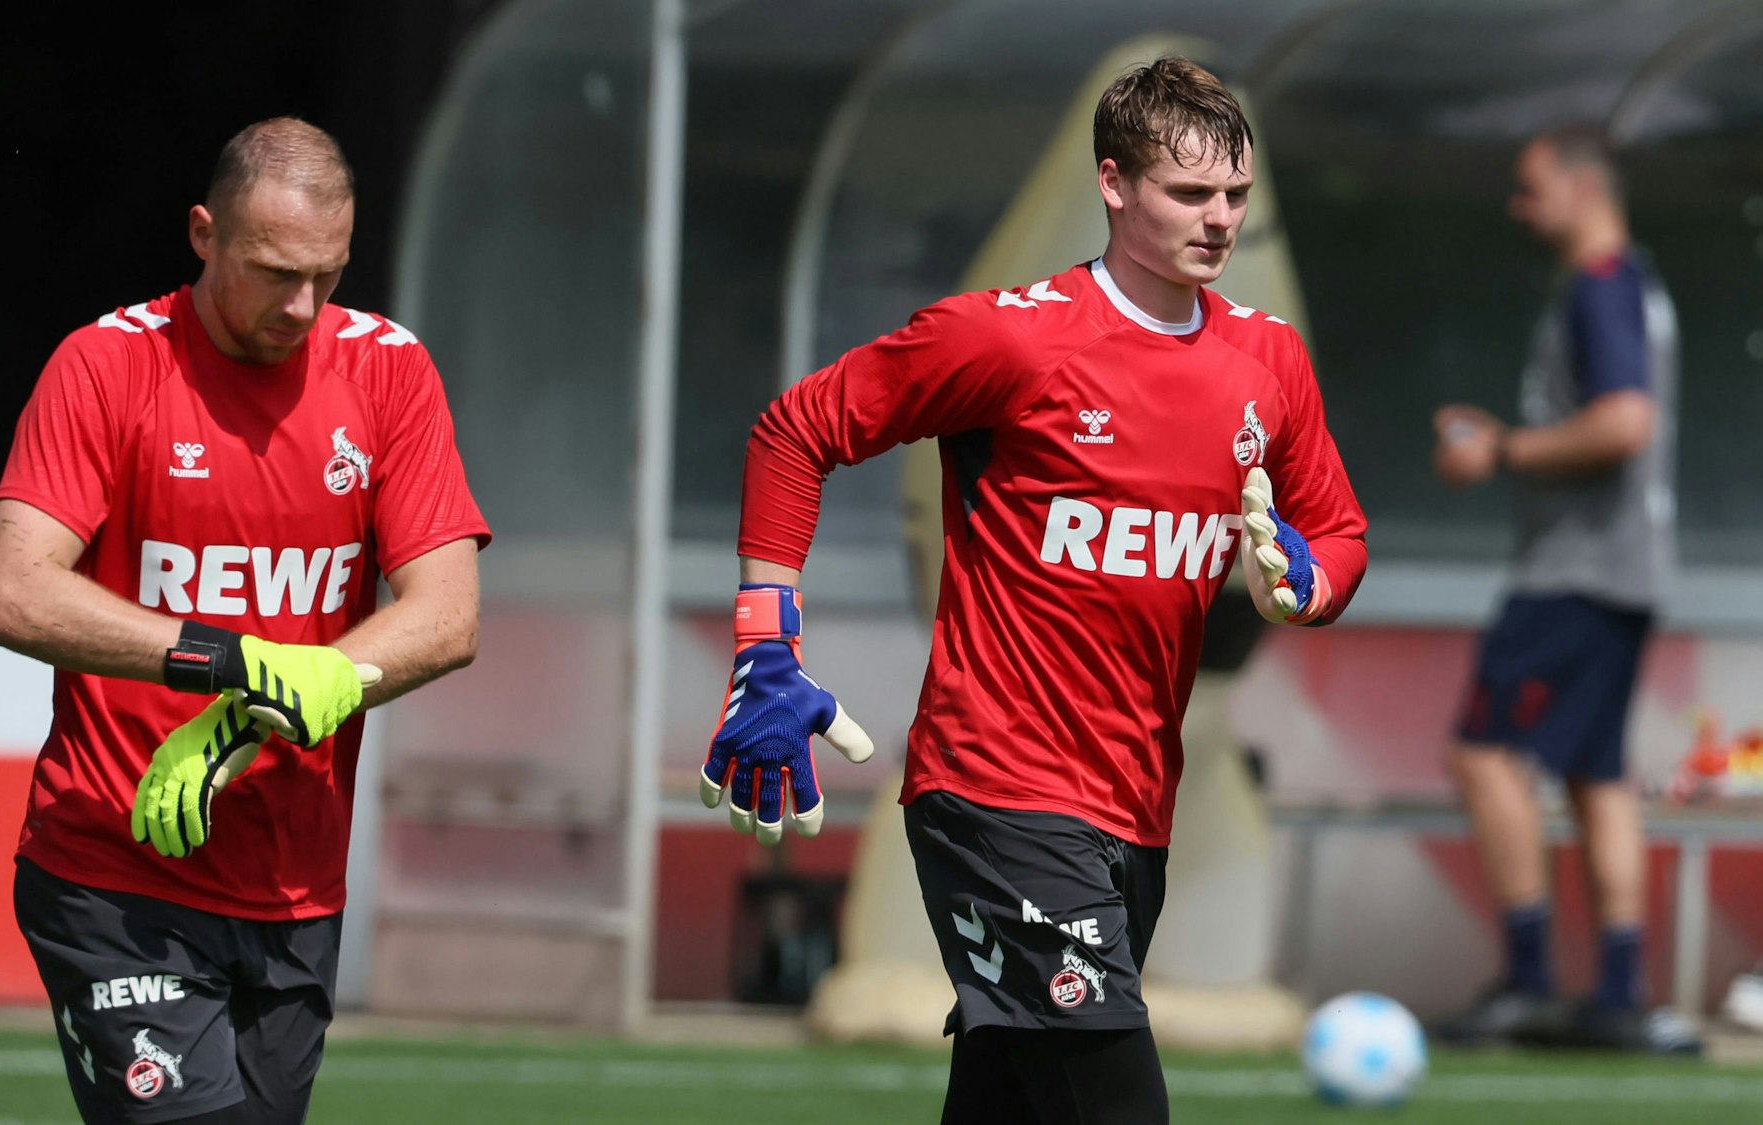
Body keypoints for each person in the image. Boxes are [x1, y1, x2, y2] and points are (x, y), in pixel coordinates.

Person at [699, 58, 1367, 1124]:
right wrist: (763, 646)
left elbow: (1334, 530)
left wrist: (1306, 579)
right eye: (1187, 194)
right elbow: (797, 432)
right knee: (1112, 1104)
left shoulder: (1266, 360)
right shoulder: (1006, 336)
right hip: (995, 788)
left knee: (1013, 1100)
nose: (1219, 220)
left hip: (1137, 805)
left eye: (1233, 195)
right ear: (1112, 185)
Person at [0, 117, 490, 1122]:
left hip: (294, 885)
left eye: (326, 276)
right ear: (203, 234)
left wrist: (327, 679)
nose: (300, 306)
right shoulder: (105, 366)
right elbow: (17, 590)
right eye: (270, 271)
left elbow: (448, 612)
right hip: (115, 867)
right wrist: (233, 665)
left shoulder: (390, 372)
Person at [1432, 124, 1693, 1053]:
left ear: (1584, 190)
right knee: (1595, 774)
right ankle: (1619, 995)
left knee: (1484, 751)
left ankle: (1533, 981)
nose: (1519, 203)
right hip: (1624, 571)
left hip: (1577, 571)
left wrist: (1500, 448)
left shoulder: (1600, 288)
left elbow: (1624, 424)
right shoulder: (1633, 285)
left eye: (1531, 185)